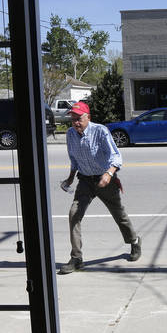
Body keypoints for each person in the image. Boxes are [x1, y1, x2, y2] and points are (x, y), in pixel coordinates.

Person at [58, 101, 141, 274]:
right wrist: (70, 178)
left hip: (105, 179)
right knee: (74, 215)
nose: (75, 123)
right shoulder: (70, 134)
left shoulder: (100, 131)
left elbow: (116, 156)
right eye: (72, 119)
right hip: (85, 182)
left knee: (119, 214)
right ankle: (76, 258)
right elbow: (73, 159)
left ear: (88, 117)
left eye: (79, 118)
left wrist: (109, 174)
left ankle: (134, 241)